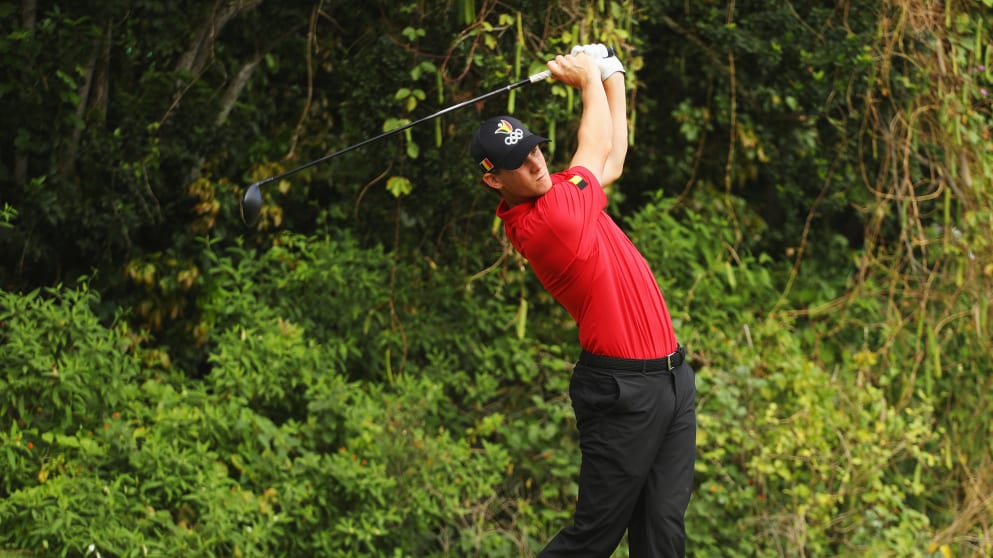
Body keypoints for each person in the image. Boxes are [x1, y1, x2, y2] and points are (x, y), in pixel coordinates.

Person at [469, 45, 697, 557]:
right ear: (493, 180)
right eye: (517, 162)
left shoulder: (562, 193)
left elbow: (610, 159)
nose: (534, 162)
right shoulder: (551, 222)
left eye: (533, 148)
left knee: (663, 531)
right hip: (623, 390)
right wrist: (588, 78)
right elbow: (594, 147)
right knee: (593, 538)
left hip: (673, 378)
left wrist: (612, 75)